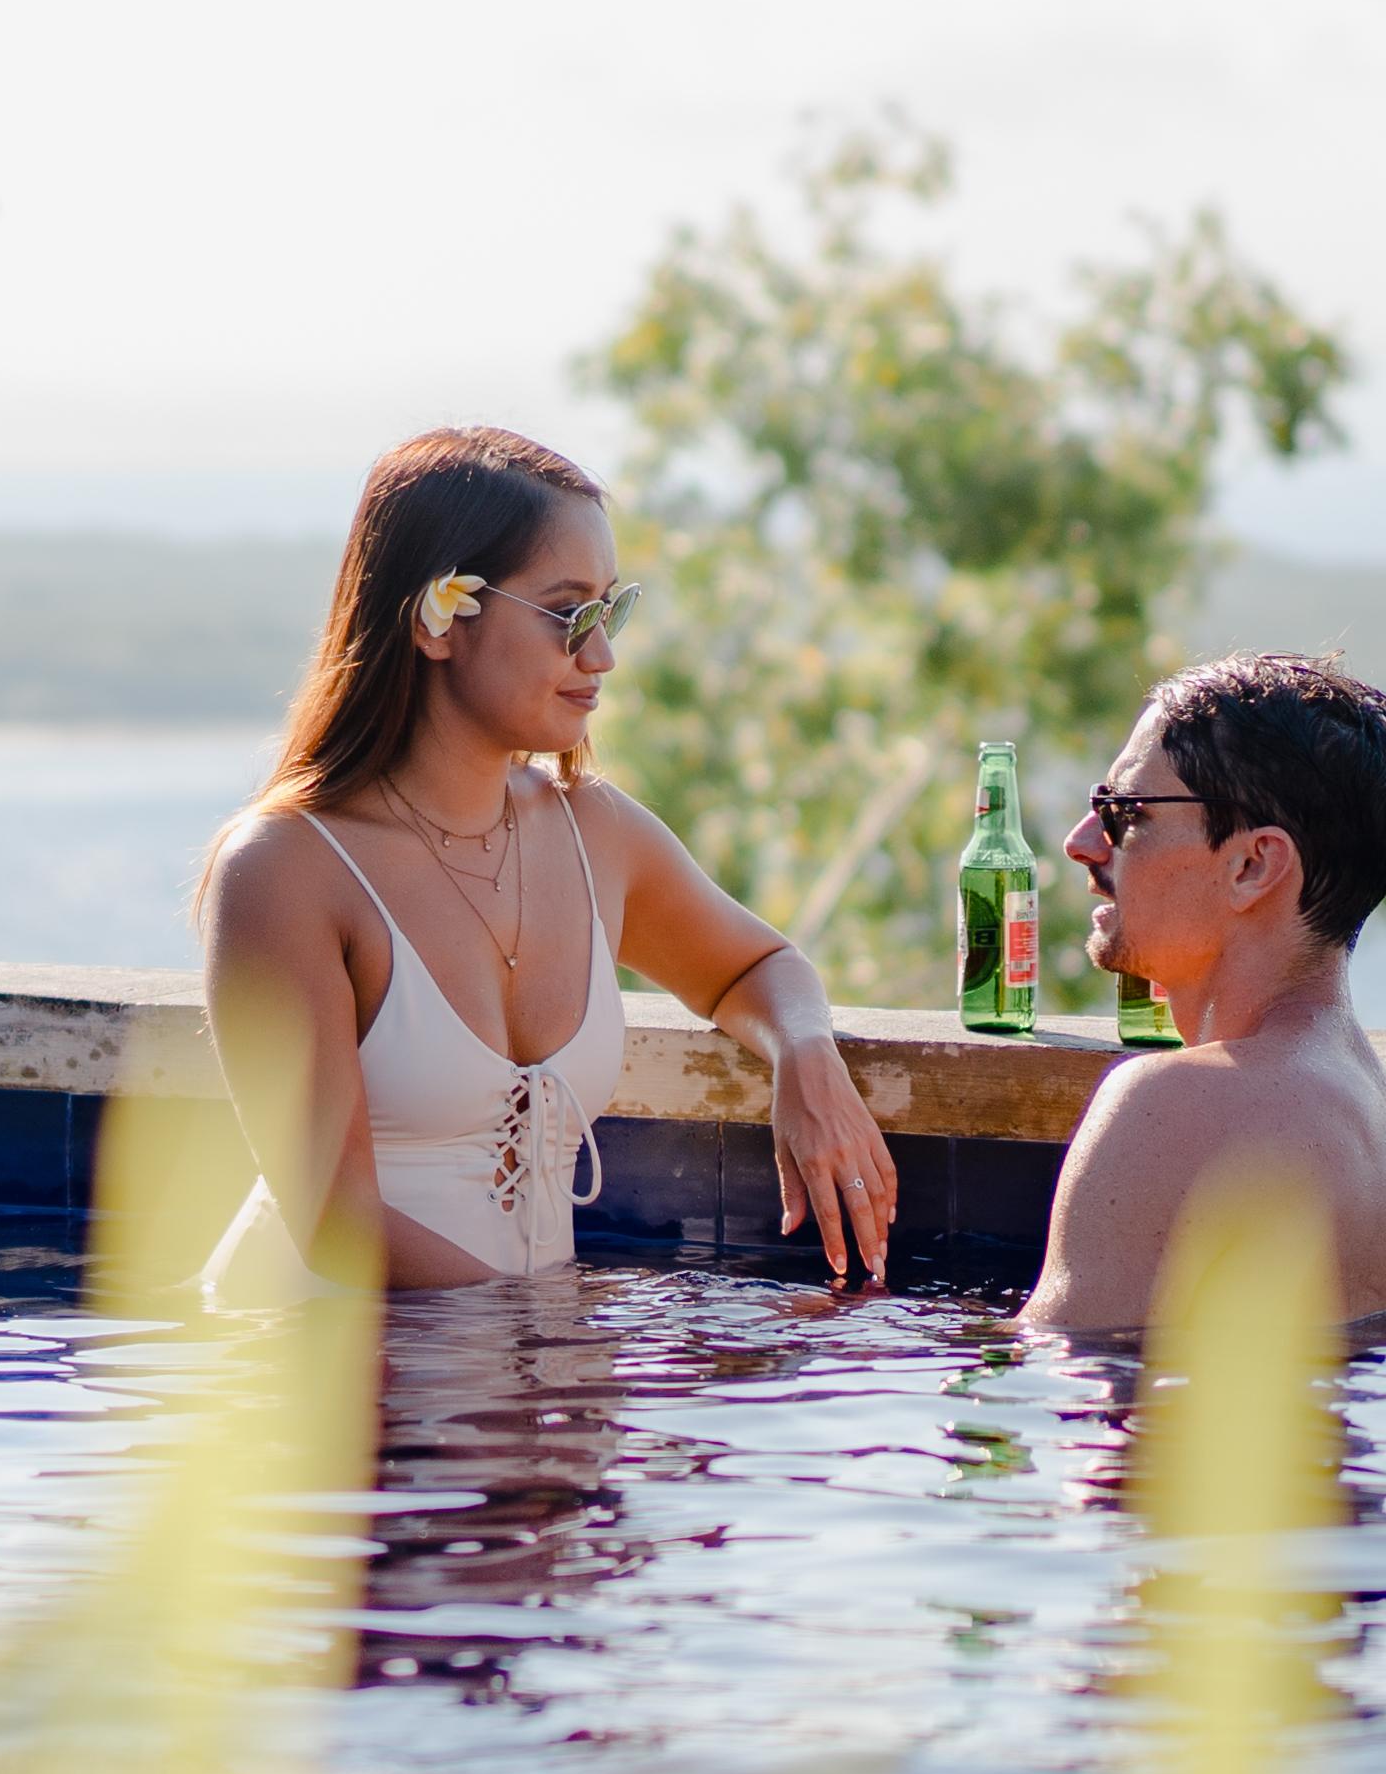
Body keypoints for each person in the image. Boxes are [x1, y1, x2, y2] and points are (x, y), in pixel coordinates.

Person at [198, 426, 897, 1294]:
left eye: (612, 609)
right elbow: (332, 1219)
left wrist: (806, 1057)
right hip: (308, 1377)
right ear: (437, 619)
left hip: (513, 1389)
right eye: (569, 614)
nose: (600, 655)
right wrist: (545, 1335)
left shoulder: (595, 833)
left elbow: (758, 965)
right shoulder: (286, 869)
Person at [1025, 651, 1386, 1337]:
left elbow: (1060, 1403)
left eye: (1126, 811)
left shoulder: (1164, 1107)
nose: (1082, 842)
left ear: (1253, 865)